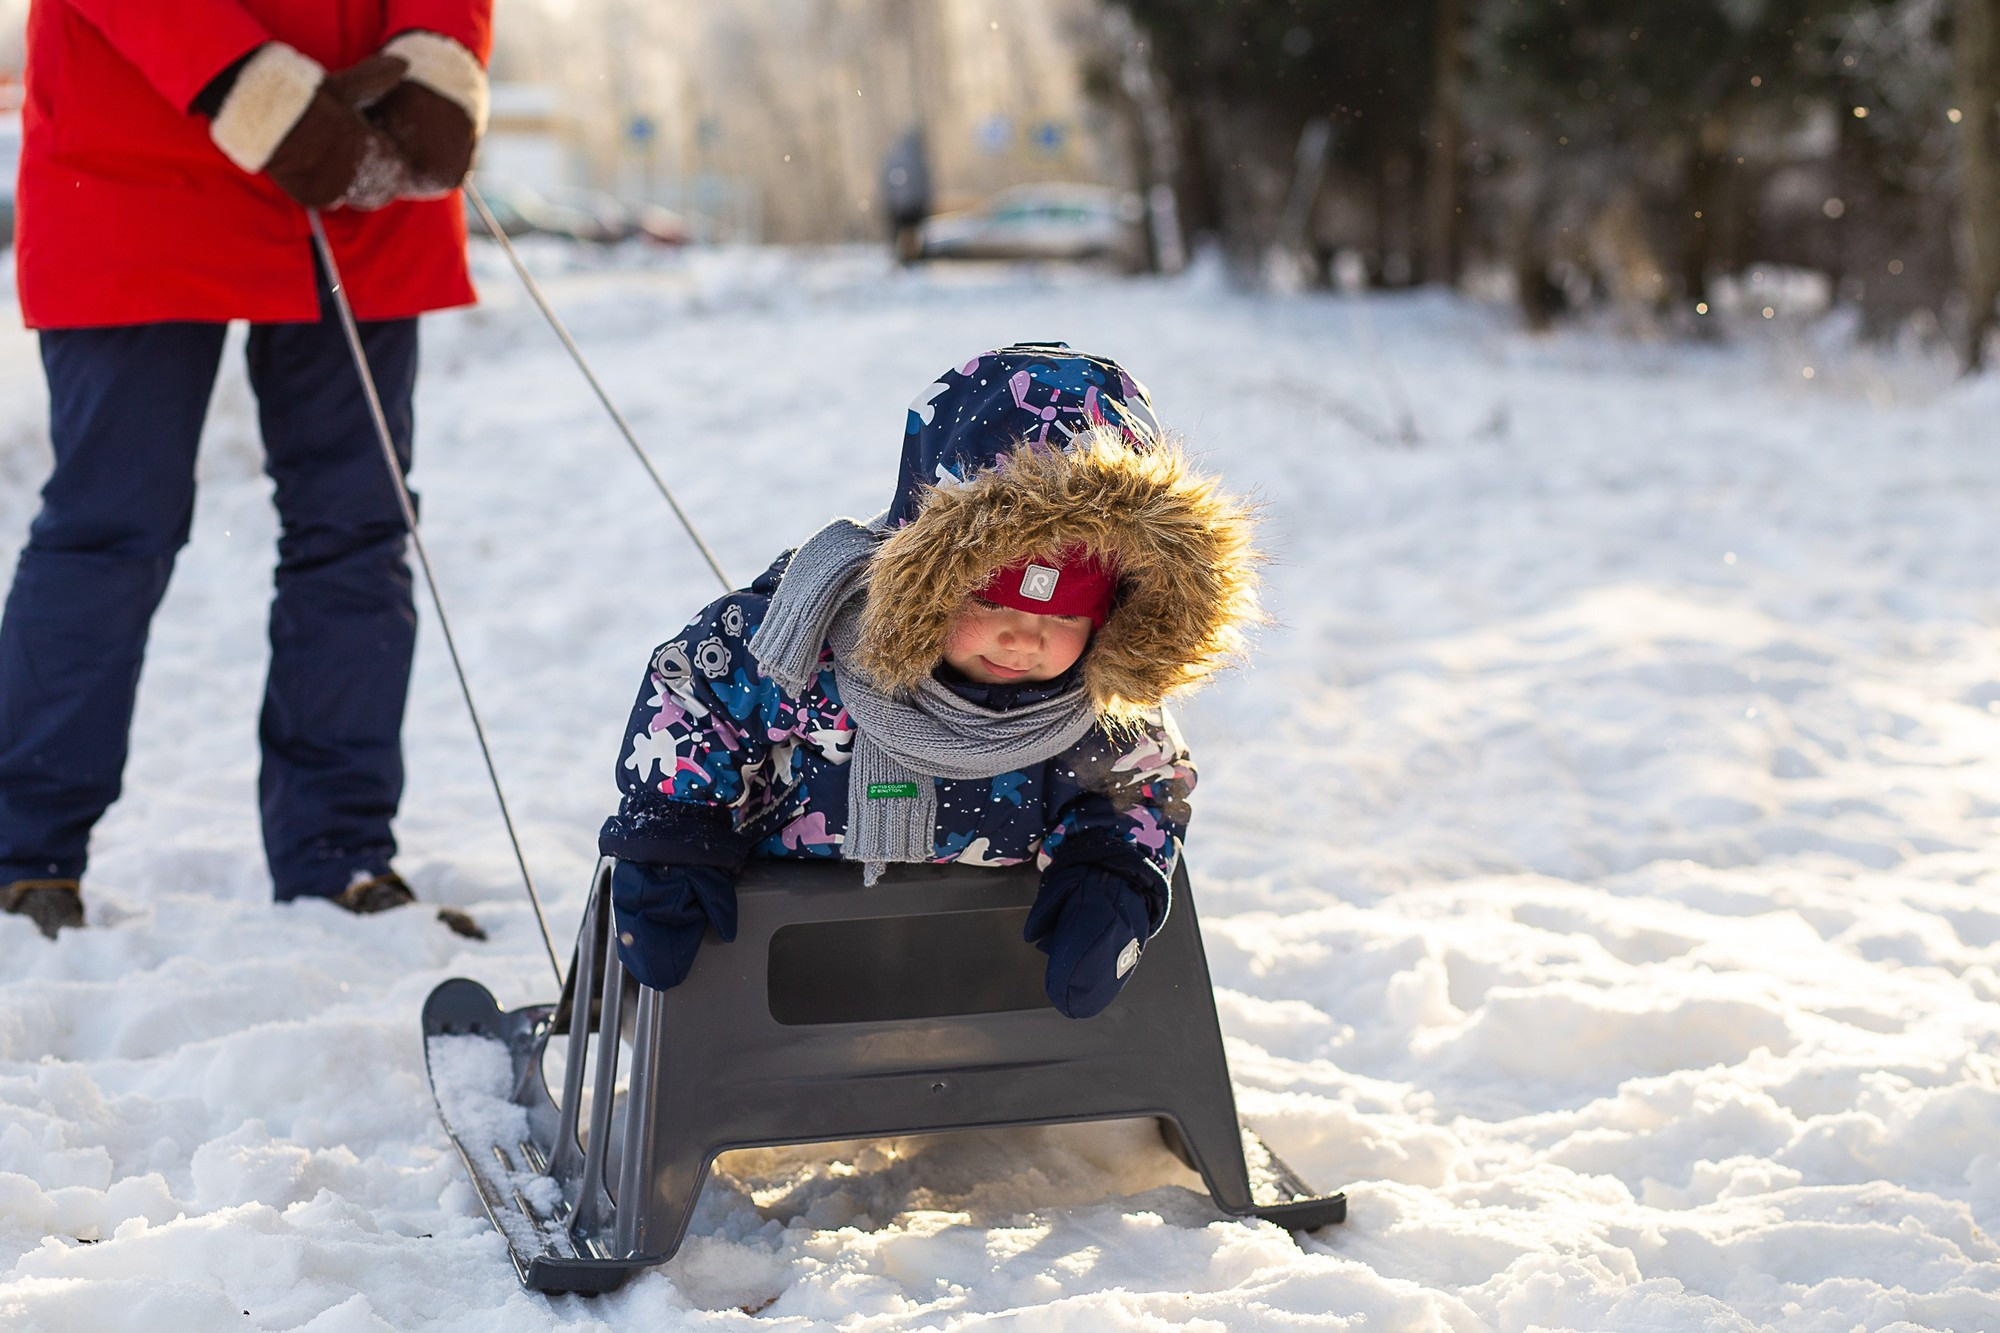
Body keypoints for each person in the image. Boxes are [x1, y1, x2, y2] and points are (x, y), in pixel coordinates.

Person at [0, 1, 494, 939]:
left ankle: (338, 854)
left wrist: (437, 62)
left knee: (357, 526)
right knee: (112, 523)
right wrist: (238, 79)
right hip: (142, 149)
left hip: (357, 163)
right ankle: (22, 854)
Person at [598, 345, 1260, 1017]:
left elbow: (1142, 787)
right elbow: (695, 696)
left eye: (1063, 616)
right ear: (933, 587)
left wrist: (1110, 875)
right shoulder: (816, 644)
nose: (1024, 637)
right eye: (993, 603)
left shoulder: (1099, 710)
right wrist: (673, 836)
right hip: (781, 965)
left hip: (968, 983)